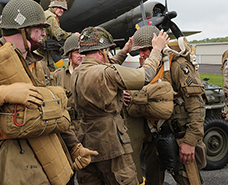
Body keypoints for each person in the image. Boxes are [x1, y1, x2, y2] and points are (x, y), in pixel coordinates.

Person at [0, 0, 95, 185]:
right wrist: (1, 95)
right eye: (39, 28)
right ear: (22, 29)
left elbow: (49, 112)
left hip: (37, 158)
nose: (44, 33)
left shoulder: (39, 64)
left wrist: (74, 146)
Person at [70, 26, 169, 185]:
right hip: (111, 143)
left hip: (86, 140)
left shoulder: (78, 72)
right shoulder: (106, 73)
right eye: (107, 51)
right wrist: (157, 49)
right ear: (102, 51)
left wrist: (124, 51)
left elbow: (107, 68)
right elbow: (146, 75)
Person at [126, 25, 207, 185]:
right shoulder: (147, 68)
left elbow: (196, 106)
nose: (141, 55)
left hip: (180, 136)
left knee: (188, 180)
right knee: (152, 180)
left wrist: (190, 141)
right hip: (153, 136)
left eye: (145, 50)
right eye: (139, 51)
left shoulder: (178, 65)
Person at [38, 0, 78, 71]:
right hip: (42, 52)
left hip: (43, 51)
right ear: (53, 7)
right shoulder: (51, 17)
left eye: (63, 9)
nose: (62, 10)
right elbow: (59, 35)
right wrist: (73, 36)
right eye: (60, 8)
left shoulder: (45, 14)